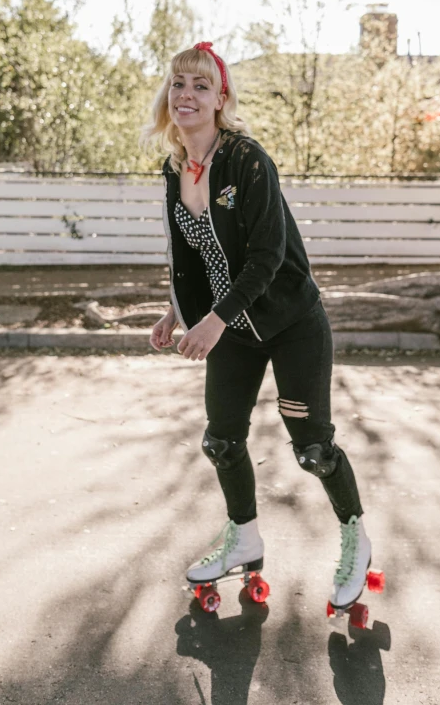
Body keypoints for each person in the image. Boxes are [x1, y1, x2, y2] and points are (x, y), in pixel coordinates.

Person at [145, 41, 371, 611]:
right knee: (221, 441)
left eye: (200, 86)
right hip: (232, 328)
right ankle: (243, 539)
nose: (186, 95)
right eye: (178, 84)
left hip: (291, 321)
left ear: (221, 99)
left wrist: (213, 320)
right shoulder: (175, 170)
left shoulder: (247, 159)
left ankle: (355, 538)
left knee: (314, 449)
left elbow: (267, 256)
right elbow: (190, 257)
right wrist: (177, 308)